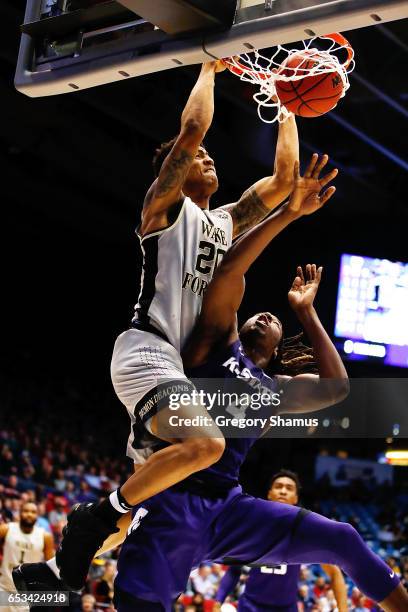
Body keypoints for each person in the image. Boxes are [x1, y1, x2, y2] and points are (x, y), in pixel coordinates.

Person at [13, 60, 299, 592]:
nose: (209, 160)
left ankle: (47, 580)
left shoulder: (224, 221)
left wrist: (287, 102)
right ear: (174, 166)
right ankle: (93, 515)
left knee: (151, 496)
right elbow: (193, 131)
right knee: (208, 446)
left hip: (175, 370)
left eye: (214, 157)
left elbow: (285, 180)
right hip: (147, 350)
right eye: (200, 159)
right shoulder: (163, 209)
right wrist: (211, 67)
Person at [112, 154, 406, 611]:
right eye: (257, 313)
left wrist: (307, 313)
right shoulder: (213, 342)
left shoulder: (276, 391)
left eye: (273, 318)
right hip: (176, 495)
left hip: (230, 508)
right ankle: (49, 579)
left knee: (344, 538)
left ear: (279, 343)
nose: (265, 314)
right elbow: (230, 271)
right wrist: (287, 213)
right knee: (139, 598)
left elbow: (336, 390)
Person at [213, 470, 348, 611]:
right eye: (278, 486)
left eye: (289, 488)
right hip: (250, 607)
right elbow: (234, 570)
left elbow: (334, 573)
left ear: (296, 498)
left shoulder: (306, 532)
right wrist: (218, 601)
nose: (283, 491)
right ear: (269, 494)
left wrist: (343, 609)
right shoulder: (253, 527)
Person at [0, 502, 54, 612]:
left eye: (33, 512)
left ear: (38, 515)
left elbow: (50, 566)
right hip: (3, 586)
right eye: (26, 511)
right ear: (20, 513)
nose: (29, 514)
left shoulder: (45, 537)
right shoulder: (6, 529)